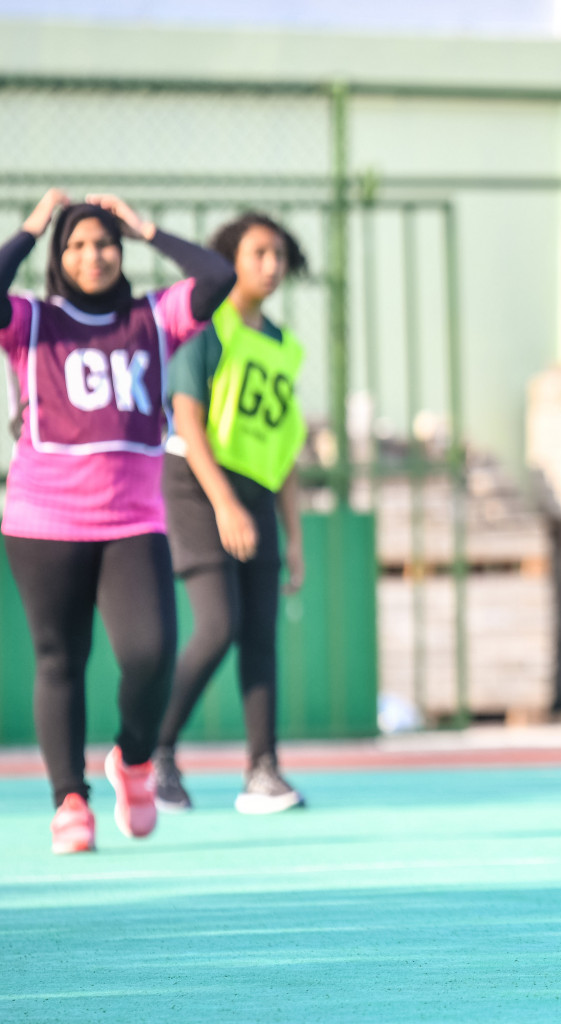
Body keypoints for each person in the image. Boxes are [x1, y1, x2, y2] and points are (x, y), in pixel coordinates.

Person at [0, 190, 235, 854]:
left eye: (105, 242)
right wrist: (31, 226)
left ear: (121, 251)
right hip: (44, 519)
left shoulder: (156, 318)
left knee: (150, 653)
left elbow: (217, 277)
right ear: (58, 256)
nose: (92, 254)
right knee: (60, 659)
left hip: (133, 519)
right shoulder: (31, 321)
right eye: (75, 244)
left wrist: (145, 224)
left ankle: (132, 759)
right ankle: (68, 800)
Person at [152, 212, 309, 815]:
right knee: (218, 626)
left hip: (254, 494)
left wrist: (293, 538)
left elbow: (286, 449)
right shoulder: (206, 326)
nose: (272, 265)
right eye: (259, 253)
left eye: (279, 255)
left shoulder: (284, 346)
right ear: (231, 259)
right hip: (196, 484)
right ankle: (152, 753)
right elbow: (188, 420)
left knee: (260, 635)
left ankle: (262, 770)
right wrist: (223, 504)